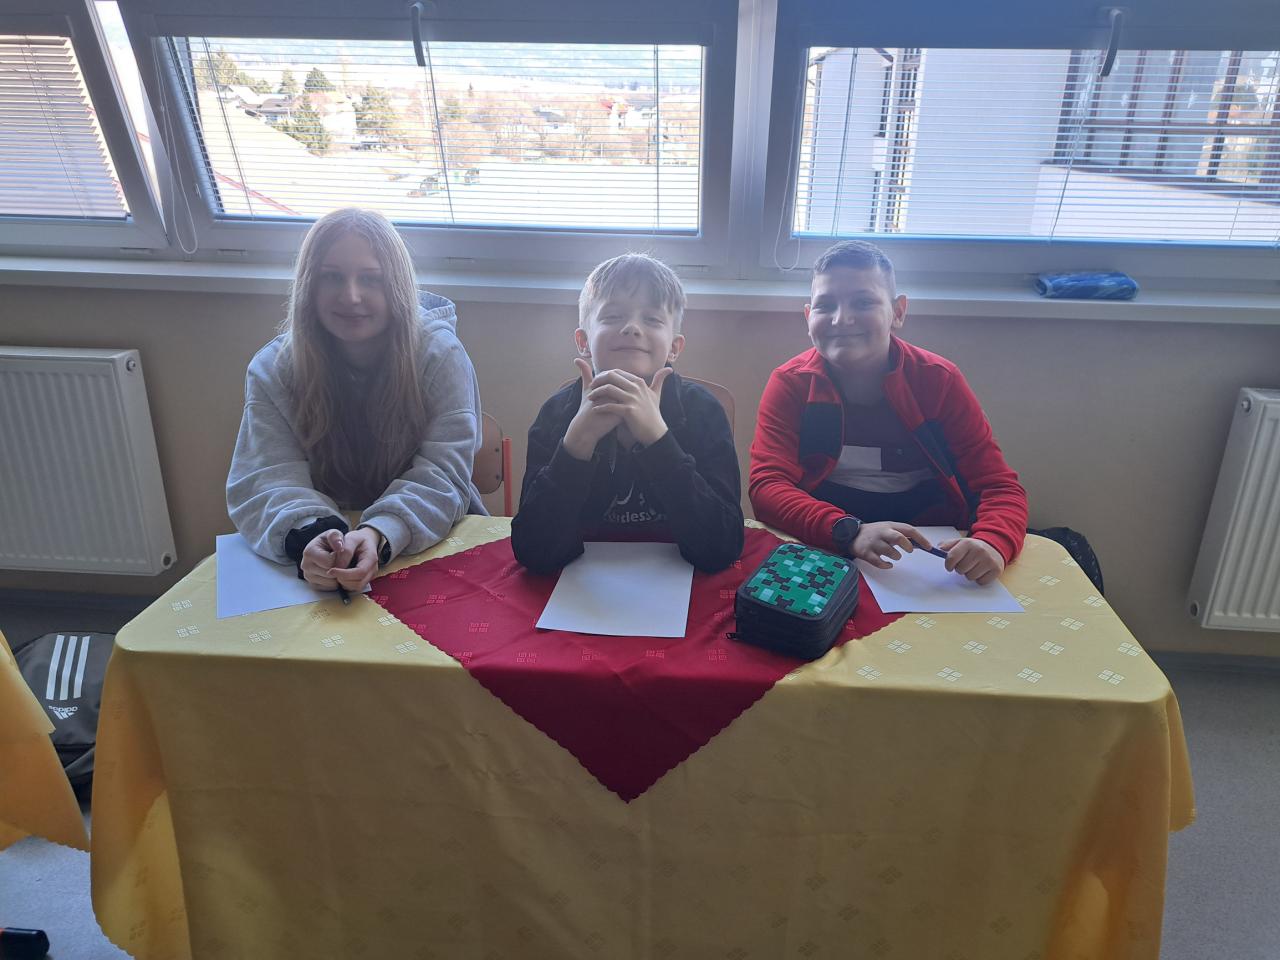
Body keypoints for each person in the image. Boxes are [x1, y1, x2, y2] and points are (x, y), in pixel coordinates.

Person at [227, 207, 483, 594]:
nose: (351, 296)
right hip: (323, 555)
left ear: (395, 285)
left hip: (430, 537)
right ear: (309, 286)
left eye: (371, 278)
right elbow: (266, 478)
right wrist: (313, 534)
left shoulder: (440, 356)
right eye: (332, 277)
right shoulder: (273, 369)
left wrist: (381, 531)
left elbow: (444, 474)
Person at [749, 240, 1027, 585]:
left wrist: (993, 541)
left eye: (863, 302)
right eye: (826, 305)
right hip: (826, 542)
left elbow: (998, 486)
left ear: (898, 312)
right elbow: (767, 487)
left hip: (930, 552)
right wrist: (849, 531)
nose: (842, 318)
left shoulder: (939, 380)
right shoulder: (791, 383)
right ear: (808, 317)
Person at [511, 253, 743, 574]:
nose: (632, 327)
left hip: (679, 581)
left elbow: (722, 547)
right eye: (612, 316)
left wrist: (657, 439)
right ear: (583, 341)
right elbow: (533, 553)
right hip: (579, 584)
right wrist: (577, 443)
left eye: (652, 319)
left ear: (674, 347)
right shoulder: (556, 414)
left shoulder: (704, 412)